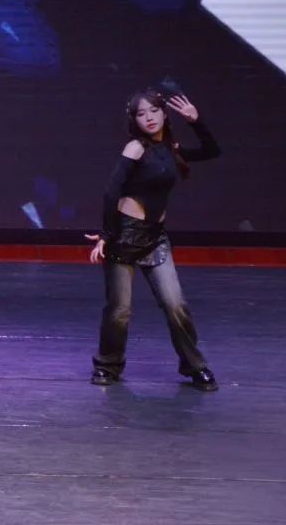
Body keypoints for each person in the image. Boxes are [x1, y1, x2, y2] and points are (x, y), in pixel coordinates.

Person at [86, 91, 220, 390]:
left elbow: (211, 151)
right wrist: (106, 235)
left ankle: (195, 366)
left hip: (155, 238)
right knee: (119, 310)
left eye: (154, 111)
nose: (149, 117)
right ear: (134, 120)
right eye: (141, 113)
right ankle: (108, 365)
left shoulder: (171, 148)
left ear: (164, 114)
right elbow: (111, 192)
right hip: (124, 236)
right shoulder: (135, 148)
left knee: (175, 304)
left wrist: (196, 122)